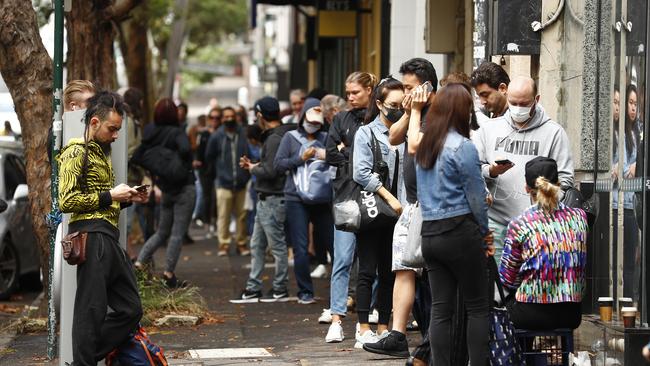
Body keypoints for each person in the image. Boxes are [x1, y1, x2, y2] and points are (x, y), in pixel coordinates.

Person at [57, 91, 146, 365]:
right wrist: (110, 196)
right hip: (91, 236)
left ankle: (84, 358)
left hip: (108, 236)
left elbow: (101, 201)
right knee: (90, 310)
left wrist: (126, 199)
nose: (116, 135)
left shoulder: (101, 154)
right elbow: (66, 200)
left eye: (118, 129)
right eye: (113, 129)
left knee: (131, 309)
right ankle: (83, 361)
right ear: (94, 122)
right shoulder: (75, 152)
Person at [363, 58, 438, 359]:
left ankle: (432, 339)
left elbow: (414, 147)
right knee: (403, 267)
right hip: (413, 202)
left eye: (409, 87)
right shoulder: (413, 111)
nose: (405, 92)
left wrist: (418, 111)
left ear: (427, 86)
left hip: (432, 206)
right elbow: (394, 136)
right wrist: (410, 110)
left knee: (430, 274)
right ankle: (397, 334)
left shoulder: (438, 113)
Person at [415, 84, 493, 366]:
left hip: (430, 233)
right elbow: (476, 198)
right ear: (462, 112)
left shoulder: (425, 145)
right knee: (477, 307)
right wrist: (485, 234)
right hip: (460, 231)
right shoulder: (463, 147)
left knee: (440, 310)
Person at [472, 76, 574, 263]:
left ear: (537, 99)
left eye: (524, 103)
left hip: (539, 226)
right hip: (497, 225)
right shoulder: (488, 130)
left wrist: (543, 201)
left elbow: (565, 180)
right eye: (513, 103)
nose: (518, 108)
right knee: (498, 289)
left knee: (533, 285)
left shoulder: (554, 133)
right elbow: (472, 170)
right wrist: (492, 171)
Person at [499, 157, 588, 330]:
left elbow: (507, 279)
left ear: (527, 188)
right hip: (571, 314)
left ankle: (524, 358)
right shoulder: (580, 217)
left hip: (531, 313)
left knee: (500, 310)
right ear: (559, 184)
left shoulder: (520, 224)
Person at [323, 71, 377, 343]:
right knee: (342, 259)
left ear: (370, 89)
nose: (350, 97)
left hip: (372, 197)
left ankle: (368, 318)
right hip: (345, 195)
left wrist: (347, 150)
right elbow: (330, 152)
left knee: (372, 262)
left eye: (355, 92)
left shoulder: (378, 115)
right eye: (348, 93)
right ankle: (336, 318)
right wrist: (349, 152)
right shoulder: (342, 118)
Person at [352, 77, 405, 349]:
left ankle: (384, 327)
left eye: (402, 104)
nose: (398, 109)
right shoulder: (366, 133)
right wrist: (389, 197)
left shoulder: (408, 131)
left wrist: (402, 204)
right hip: (374, 209)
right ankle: (363, 328)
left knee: (390, 271)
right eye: (393, 105)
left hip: (401, 213)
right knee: (367, 270)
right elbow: (360, 173)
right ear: (380, 104)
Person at [230, 97, 295, 303]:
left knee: (276, 247)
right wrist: (257, 164)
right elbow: (271, 165)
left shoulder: (274, 138)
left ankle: (280, 287)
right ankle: (254, 287)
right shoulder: (277, 135)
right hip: (267, 199)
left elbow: (272, 170)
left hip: (273, 198)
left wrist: (252, 168)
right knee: (257, 244)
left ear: (260, 115)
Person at [274, 97, 333, 304]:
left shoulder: (326, 137)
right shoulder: (290, 138)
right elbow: (278, 165)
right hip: (295, 198)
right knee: (300, 247)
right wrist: (301, 159)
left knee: (332, 244)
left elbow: (337, 161)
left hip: (322, 197)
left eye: (318, 122)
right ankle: (304, 291)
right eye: (311, 120)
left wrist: (326, 155)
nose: (314, 125)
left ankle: (340, 291)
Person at [133, 98, 196, 288]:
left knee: (161, 232)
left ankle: (139, 262)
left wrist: (157, 167)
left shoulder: (150, 131)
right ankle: (168, 273)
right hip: (184, 187)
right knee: (177, 233)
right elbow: (186, 150)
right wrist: (177, 162)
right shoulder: (177, 133)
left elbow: (137, 156)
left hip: (166, 188)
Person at [205, 106, 252, 256]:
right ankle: (223, 245)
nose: (229, 119)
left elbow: (250, 153)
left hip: (242, 181)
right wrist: (218, 174)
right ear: (222, 119)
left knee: (242, 215)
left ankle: (241, 244)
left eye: (232, 116)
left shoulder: (243, 134)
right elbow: (209, 157)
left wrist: (246, 175)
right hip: (223, 182)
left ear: (236, 117)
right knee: (223, 216)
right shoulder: (216, 136)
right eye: (226, 116)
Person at [612, 84, 643, 298]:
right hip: (617, 202)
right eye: (628, 103)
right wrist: (630, 168)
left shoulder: (636, 131)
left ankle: (629, 304)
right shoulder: (619, 132)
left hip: (632, 203)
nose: (632, 108)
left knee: (631, 259)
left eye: (634, 104)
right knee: (616, 260)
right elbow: (619, 170)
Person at [196, 107, 221, 237]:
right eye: (212, 117)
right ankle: (208, 224)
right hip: (205, 171)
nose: (214, 120)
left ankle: (216, 223)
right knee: (207, 197)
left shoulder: (223, 134)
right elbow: (199, 152)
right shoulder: (204, 134)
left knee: (217, 198)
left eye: (217, 117)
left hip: (219, 170)